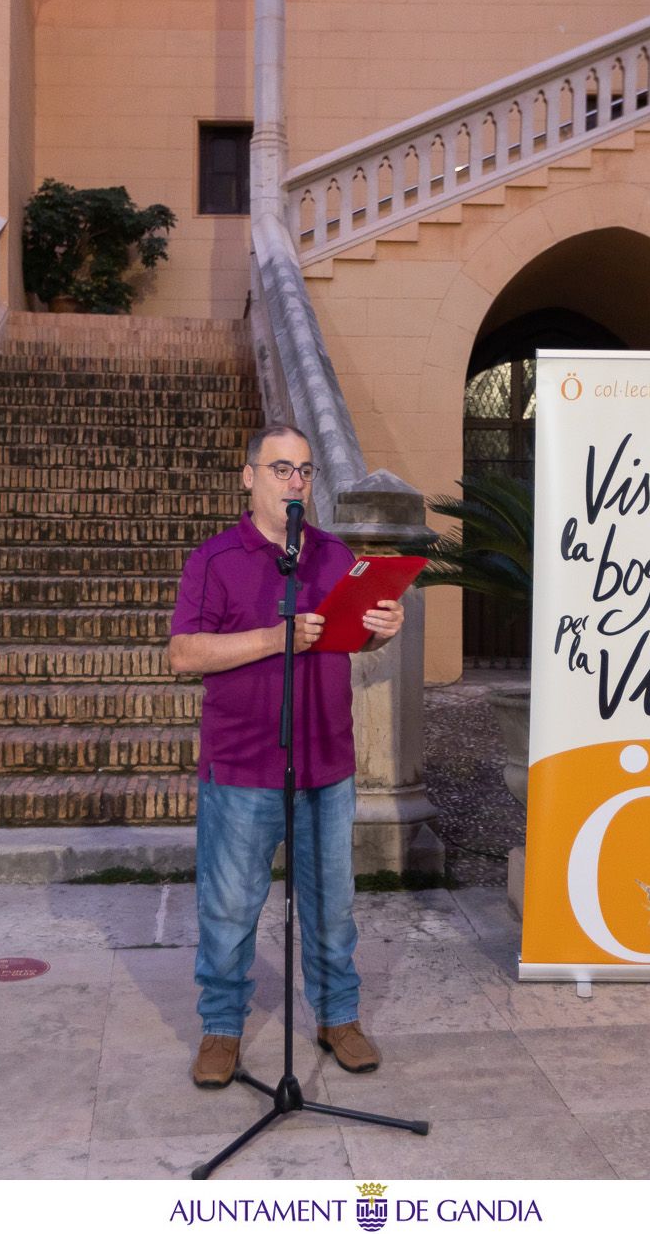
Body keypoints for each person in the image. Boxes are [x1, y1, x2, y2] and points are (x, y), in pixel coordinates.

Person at [167, 424, 404, 1089]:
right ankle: (221, 1027)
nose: (295, 482)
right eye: (280, 469)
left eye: (303, 470)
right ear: (249, 478)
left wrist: (386, 628)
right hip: (241, 765)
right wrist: (276, 637)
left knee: (333, 902)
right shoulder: (213, 560)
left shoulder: (333, 556)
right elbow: (184, 653)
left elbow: (358, 638)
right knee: (230, 906)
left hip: (326, 763)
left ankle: (338, 1015)